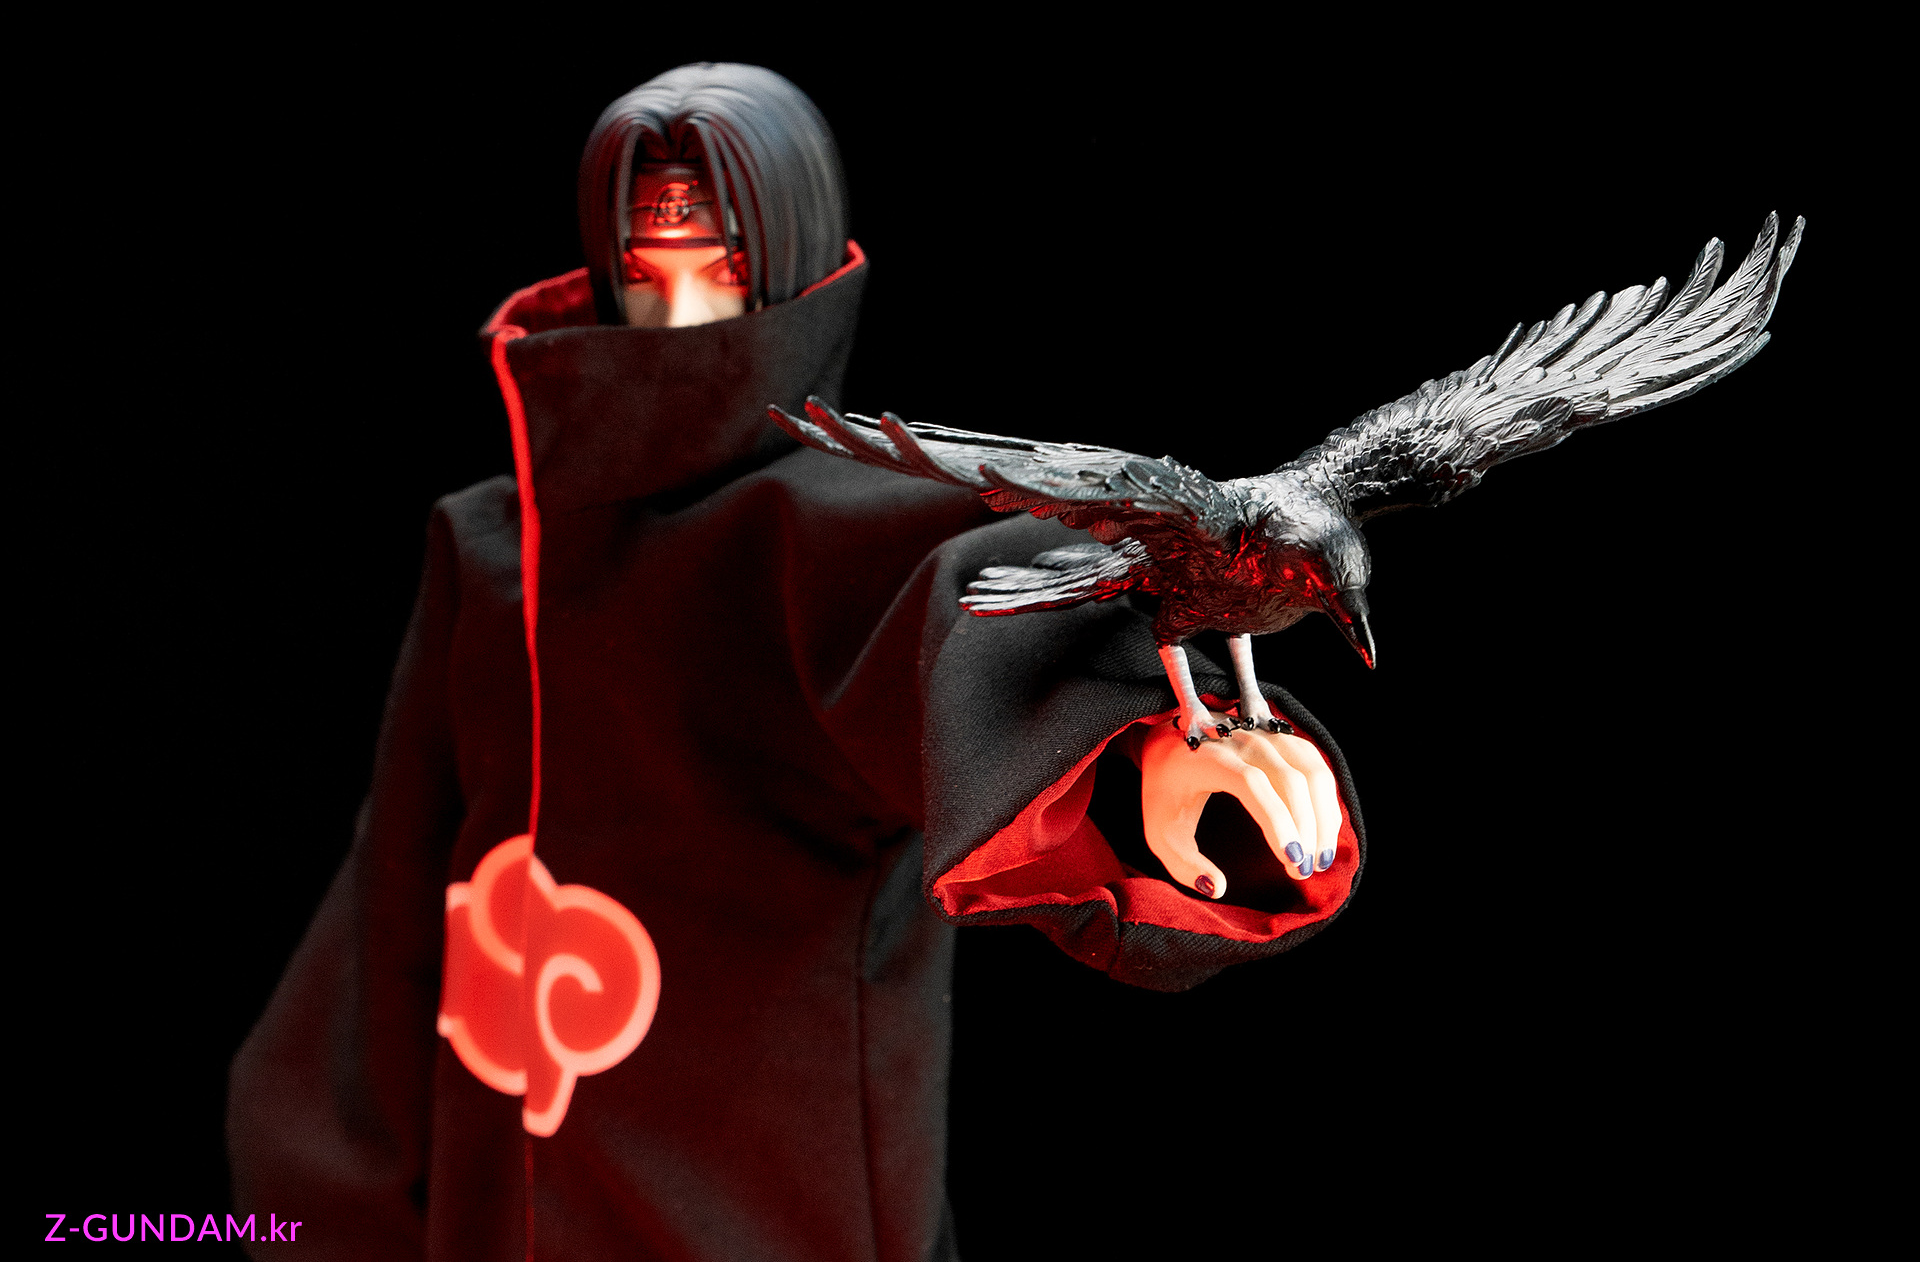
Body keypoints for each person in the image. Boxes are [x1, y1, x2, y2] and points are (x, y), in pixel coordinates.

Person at [227, 62, 1360, 1261]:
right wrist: (328, 1204)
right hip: (491, 1190)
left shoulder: (823, 532)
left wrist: (1149, 739)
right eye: (643, 271)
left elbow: (964, 602)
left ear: (795, 273)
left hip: (754, 1197)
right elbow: (393, 901)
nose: (679, 316)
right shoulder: (488, 545)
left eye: (721, 270)